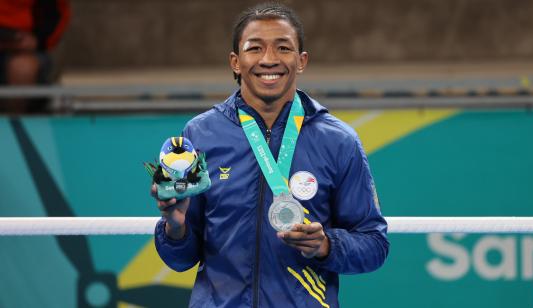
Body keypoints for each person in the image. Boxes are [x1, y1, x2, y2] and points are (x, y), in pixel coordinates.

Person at [152, 3, 389, 307]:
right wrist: (175, 226)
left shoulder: (338, 141)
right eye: (255, 48)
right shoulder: (201, 134)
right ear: (235, 62)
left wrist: (327, 245)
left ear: (301, 60)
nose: (269, 59)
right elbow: (180, 260)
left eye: (283, 48)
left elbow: (375, 245)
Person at [0, 0, 70, 113]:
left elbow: (56, 15)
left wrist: (37, 40)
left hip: (24, 48)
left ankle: (15, 122)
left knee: (23, 68)